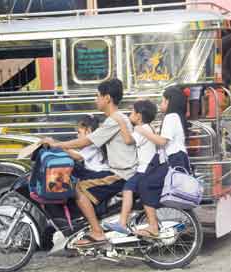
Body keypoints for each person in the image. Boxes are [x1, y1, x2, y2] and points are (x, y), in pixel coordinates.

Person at [41, 78, 137, 246]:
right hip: (119, 170)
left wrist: (57, 144)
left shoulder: (114, 119)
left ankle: (97, 232)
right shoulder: (116, 118)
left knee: (78, 188)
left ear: (107, 98)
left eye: (97, 96)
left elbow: (86, 142)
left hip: (121, 174)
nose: (95, 99)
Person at [135, 86, 191, 238]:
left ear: (169, 101)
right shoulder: (176, 117)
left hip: (173, 160)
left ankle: (153, 226)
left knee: (145, 184)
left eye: (163, 100)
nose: (161, 103)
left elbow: (162, 142)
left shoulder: (170, 117)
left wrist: (143, 131)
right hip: (178, 160)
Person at [104, 99, 157, 234]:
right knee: (128, 189)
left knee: (128, 189)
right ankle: (125, 220)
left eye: (132, 112)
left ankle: (122, 223)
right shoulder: (145, 128)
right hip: (146, 168)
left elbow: (128, 140)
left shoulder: (142, 128)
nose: (130, 114)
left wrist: (121, 122)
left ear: (139, 116)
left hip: (145, 169)